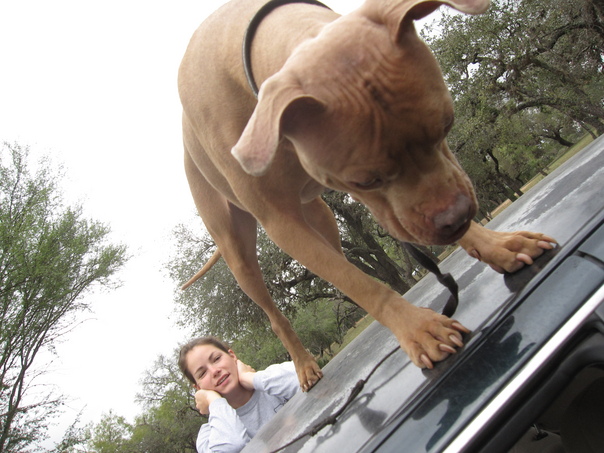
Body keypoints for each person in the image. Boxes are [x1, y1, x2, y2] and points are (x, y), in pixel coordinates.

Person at [178, 337, 300, 453]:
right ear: (199, 388)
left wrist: (250, 378)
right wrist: (213, 400)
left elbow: (306, 377)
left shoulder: (271, 381)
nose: (215, 371)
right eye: (202, 373)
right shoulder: (208, 437)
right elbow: (234, 445)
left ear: (232, 356)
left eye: (216, 359)